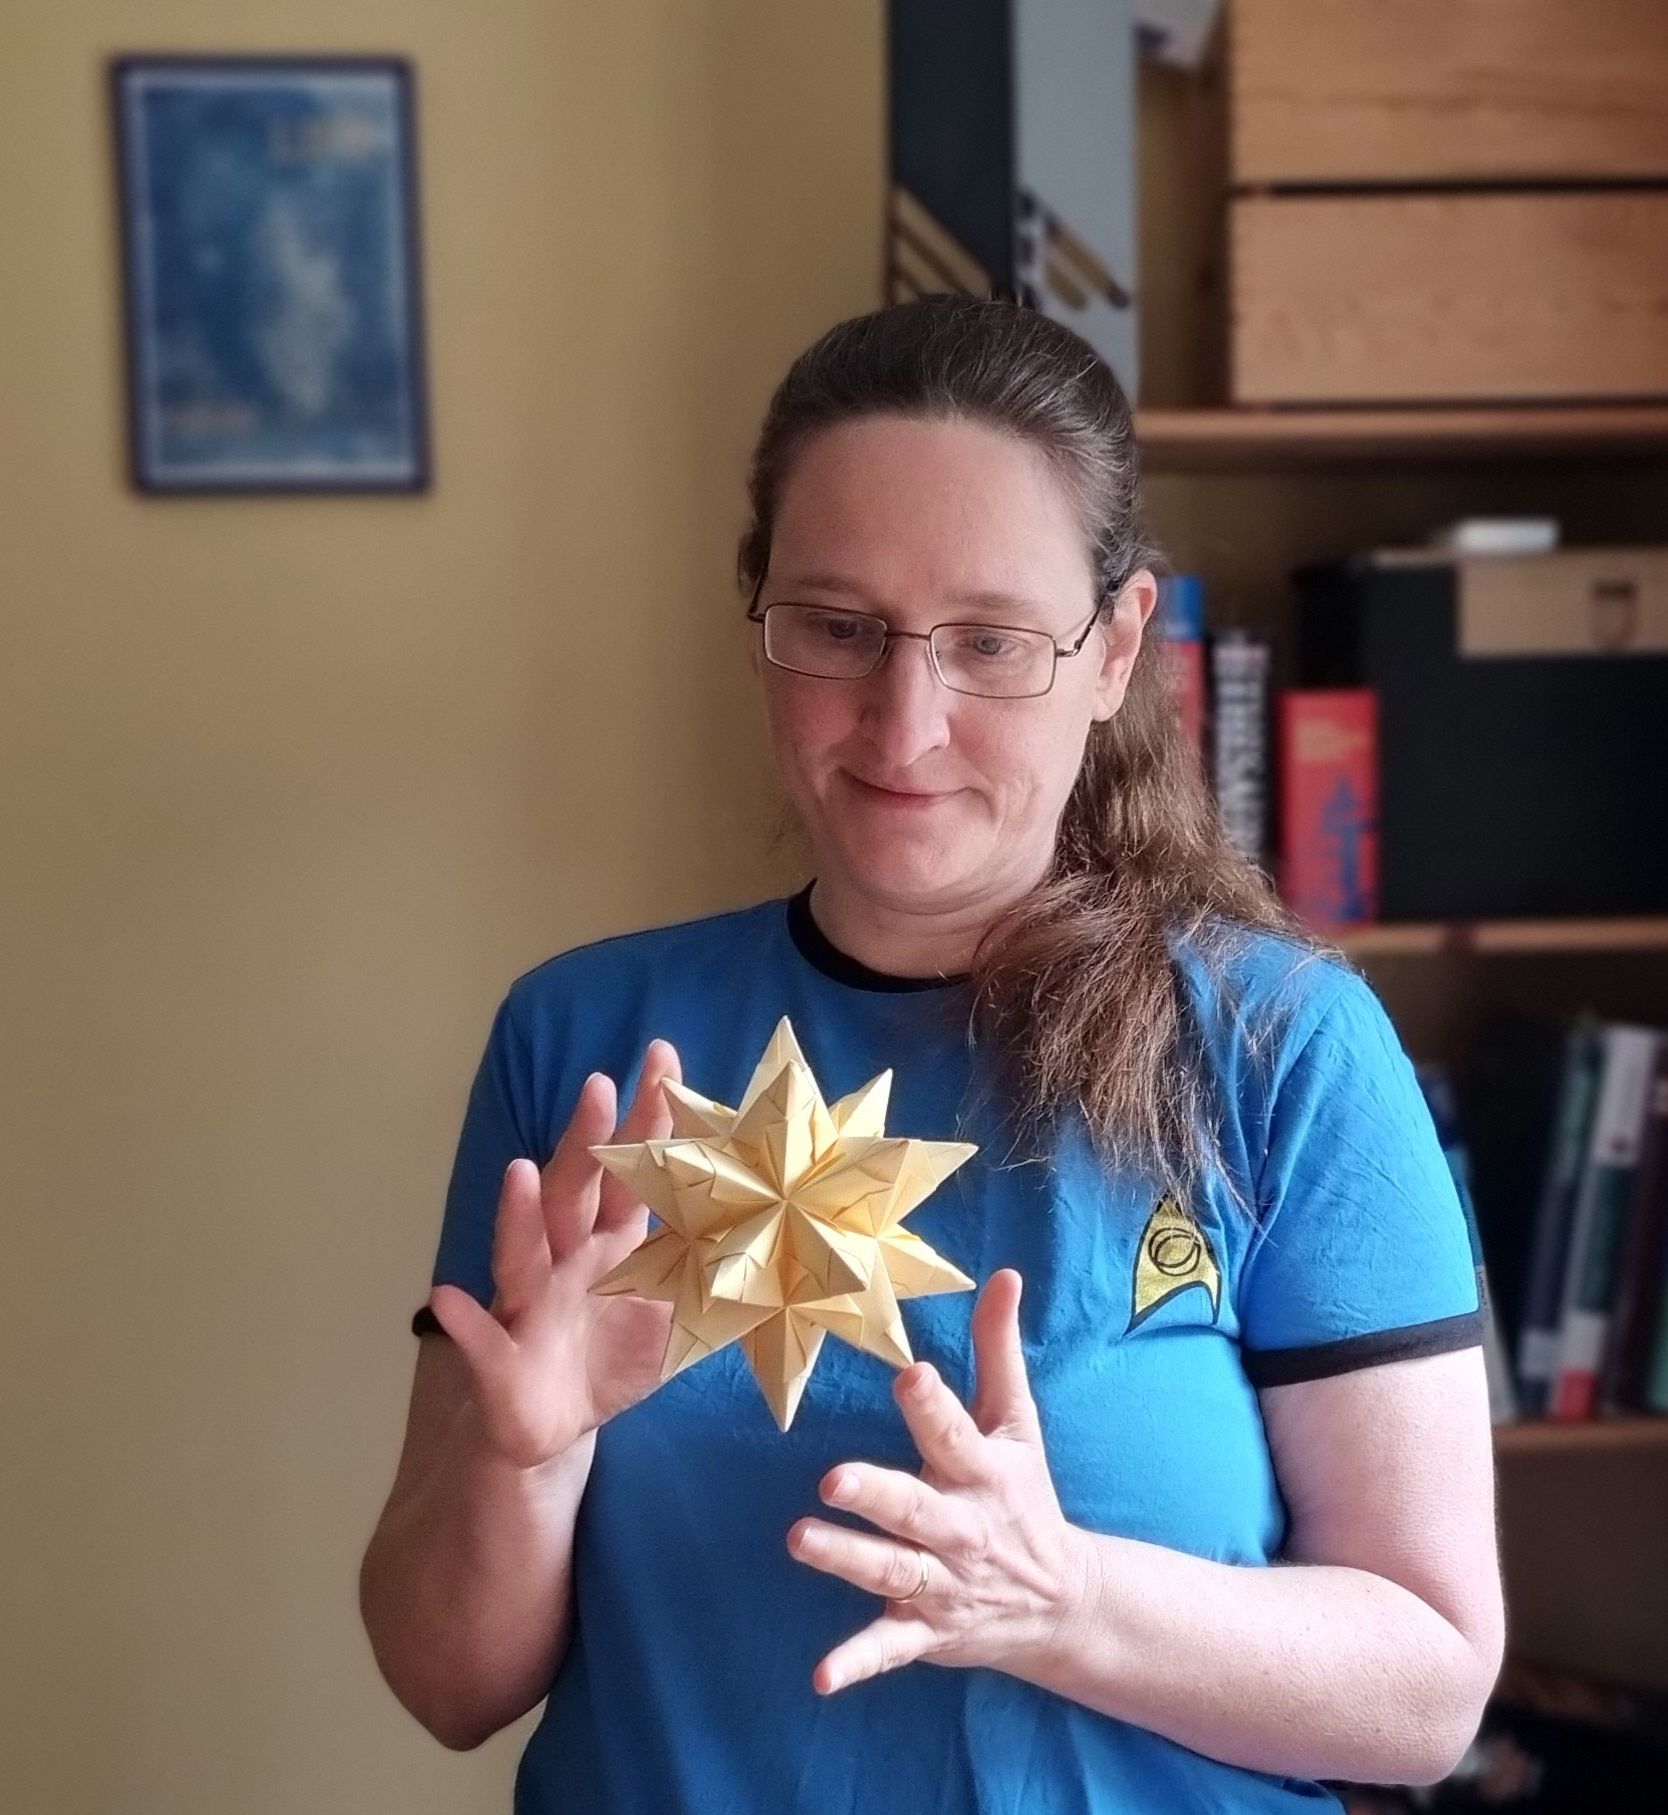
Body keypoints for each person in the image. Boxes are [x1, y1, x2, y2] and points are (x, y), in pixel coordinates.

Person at [360, 296, 1503, 1813]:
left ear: (1115, 650)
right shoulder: (577, 1044)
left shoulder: (1281, 1047)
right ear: (758, 618)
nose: (906, 722)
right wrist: (519, 1461)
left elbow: (1428, 1684)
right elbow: (450, 1685)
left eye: (990, 641)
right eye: (838, 628)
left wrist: (1065, 1601)